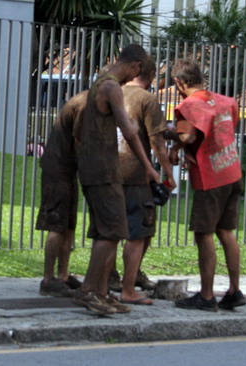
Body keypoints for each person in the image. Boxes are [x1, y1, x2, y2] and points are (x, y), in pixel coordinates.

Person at [73, 44, 160, 315]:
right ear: (135, 66)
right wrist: (148, 166)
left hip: (96, 168)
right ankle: (90, 292)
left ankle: (101, 292)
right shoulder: (111, 87)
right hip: (103, 170)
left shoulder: (99, 82)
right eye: (137, 70)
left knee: (110, 231)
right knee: (110, 232)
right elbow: (130, 132)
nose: (132, 78)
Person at [169, 58, 246, 312]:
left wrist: (169, 135)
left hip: (209, 175)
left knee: (204, 233)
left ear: (180, 81)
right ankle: (234, 290)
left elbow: (189, 135)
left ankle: (206, 295)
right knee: (226, 232)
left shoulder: (188, 105)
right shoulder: (227, 102)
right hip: (232, 171)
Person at [111, 55, 177, 305]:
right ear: (150, 76)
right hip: (135, 173)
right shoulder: (147, 99)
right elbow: (156, 141)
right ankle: (130, 285)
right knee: (139, 230)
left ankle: (110, 276)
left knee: (111, 229)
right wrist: (167, 172)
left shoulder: (112, 91)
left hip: (109, 170)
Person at [35, 91, 88, 297]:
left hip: (68, 168)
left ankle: (63, 275)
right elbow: (80, 141)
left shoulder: (86, 101)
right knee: (57, 223)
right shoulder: (85, 105)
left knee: (69, 224)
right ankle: (48, 278)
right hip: (58, 168)